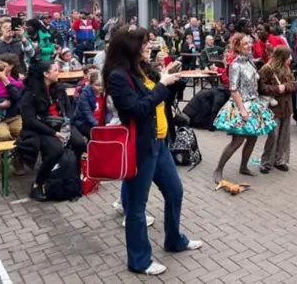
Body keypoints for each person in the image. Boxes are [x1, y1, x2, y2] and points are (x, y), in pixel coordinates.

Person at [102, 26, 202, 275]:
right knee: (137, 207)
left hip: (159, 142)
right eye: (144, 43)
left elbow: (163, 97)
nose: (149, 47)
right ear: (130, 47)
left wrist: (170, 80)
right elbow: (136, 109)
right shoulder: (118, 76)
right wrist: (161, 85)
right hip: (140, 147)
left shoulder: (143, 69)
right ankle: (139, 260)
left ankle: (174, 240)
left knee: (175, 191)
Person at [212, 33, 277, 183]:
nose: (249, 46)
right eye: (245, 44)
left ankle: (243, 167)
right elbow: (233, 90)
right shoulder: (235, 65)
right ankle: (218, 169)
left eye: (249, 43)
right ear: (238, 46)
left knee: (253, 138)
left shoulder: (249, 62)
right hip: (241, 104)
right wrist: (242, 110)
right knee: (237, 140)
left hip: (253, 103)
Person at [19, 61, 87, 201]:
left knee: (80, 143)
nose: (59, 72)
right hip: (42, 129)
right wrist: (54, 133)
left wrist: (67, 123)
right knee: (56, 150)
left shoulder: (59, 88)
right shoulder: (30, 94)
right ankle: (37, 184)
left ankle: (72, 175)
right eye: (56, 70)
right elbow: (30, 121)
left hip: (62, 125)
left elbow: (68, 108)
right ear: (46, 74)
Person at [258, 46, 296, 174]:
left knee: (284, 135)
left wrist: (285, 87)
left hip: (287, 106)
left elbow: (294, 83)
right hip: (274, 107)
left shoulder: (287, 68)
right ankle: (266, 162)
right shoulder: (266, 69)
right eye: (287, 56)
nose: (289, 59)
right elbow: (261, 87)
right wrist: (276, 89)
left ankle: (280, 160)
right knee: (273, 135)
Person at [72, 71, 104, 138]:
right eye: (97, 85)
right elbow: (88, 115)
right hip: (84, 122)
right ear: (91, 84)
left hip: (101, 121)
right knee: (99, 136)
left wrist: (108, 123)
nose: (101, 87)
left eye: (102, 84)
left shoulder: (105, 93)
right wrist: (99, 127)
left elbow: (109, 111)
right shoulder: (85, 94)